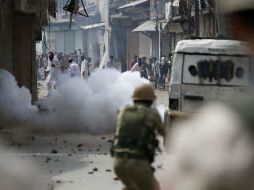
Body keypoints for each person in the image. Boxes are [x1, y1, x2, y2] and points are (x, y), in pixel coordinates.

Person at [111, 84, 165, 190]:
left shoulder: (123, 111)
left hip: (118, 163)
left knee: (131, 187)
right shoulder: (153, 114)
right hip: (137, 162)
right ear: (150, 101)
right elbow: (164, 133)